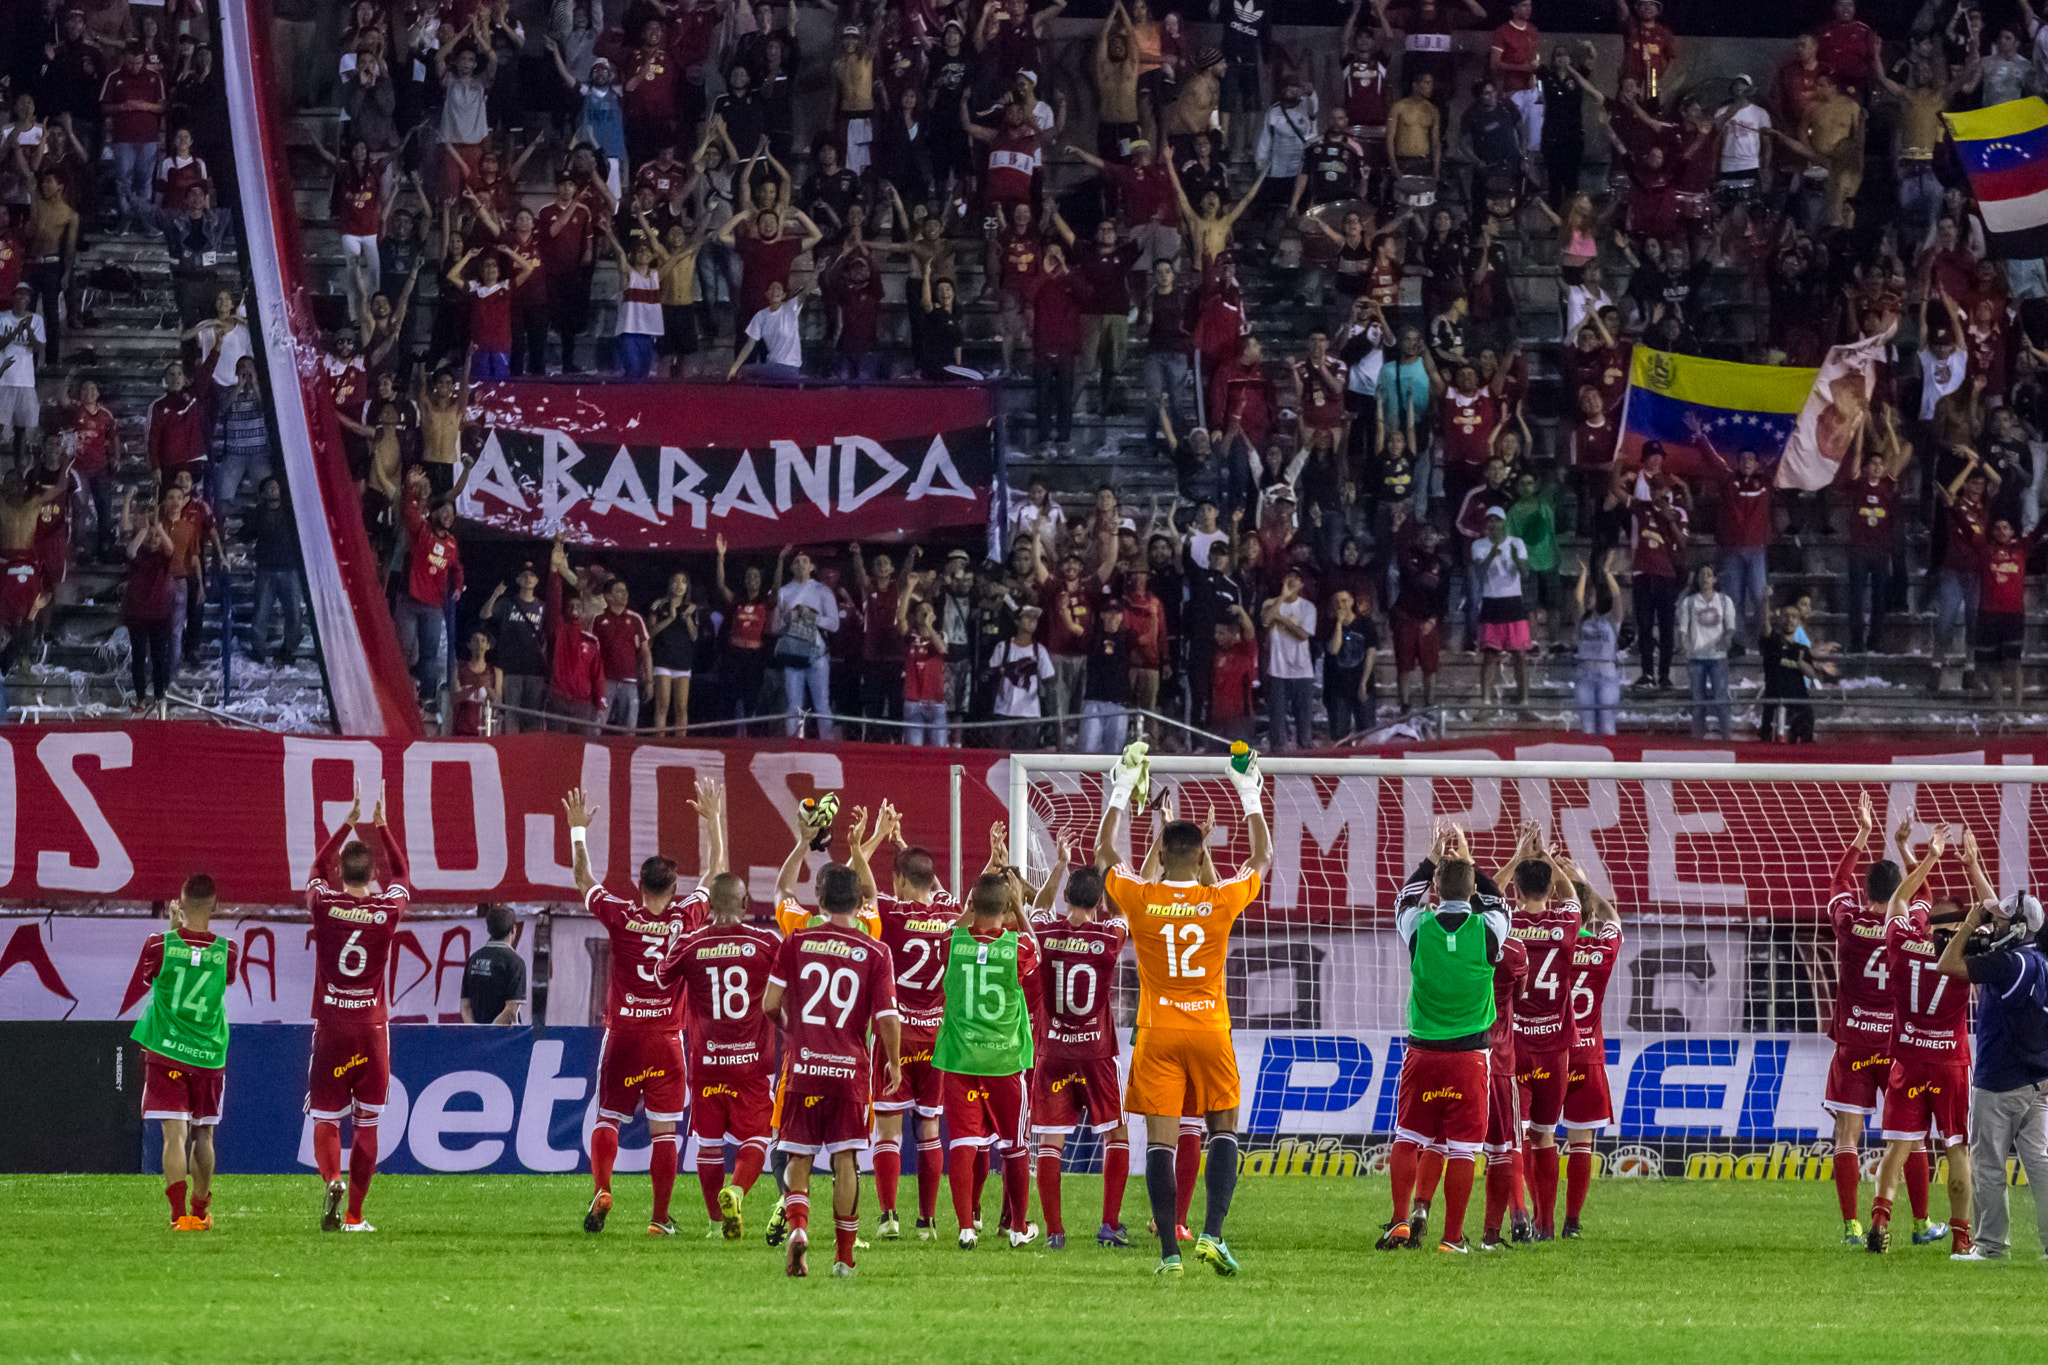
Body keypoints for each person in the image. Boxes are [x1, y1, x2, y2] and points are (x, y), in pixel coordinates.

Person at [1096, 740, 1273, 1276]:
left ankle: (1169, 1254)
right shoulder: (1218, 901)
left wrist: (1122, 786)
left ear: (1161, 851)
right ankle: (1213, 1235)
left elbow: (1105, 854)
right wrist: (1248, 790)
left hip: (1156, 1032)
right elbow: (1261, 858)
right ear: (1200, 856)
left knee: (1161, 1143)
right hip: (1209, 1031)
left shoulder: (1142, 900)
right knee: (1222, 1128)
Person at [564, 779, 719, 1238]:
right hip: (667, 1039)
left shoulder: (620, 914)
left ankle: (603, 1187)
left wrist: (577, 831)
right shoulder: (686, 917)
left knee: (608, 1116)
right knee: (664, 1131)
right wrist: (712, 822)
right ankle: (658, 1218)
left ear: (638, 884)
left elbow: (583, 879)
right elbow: (715, 874)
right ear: (673, 890)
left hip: (623, 1034)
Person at [759, 858, 901, 1278]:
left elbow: (769, 1004)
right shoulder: (876, 951)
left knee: (797, 1157)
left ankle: (799, 1229)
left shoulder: (795, 942)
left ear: (818, 899)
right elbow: (887, 1017)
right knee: (846, 1161)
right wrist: (893, 1063)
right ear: (859, 902)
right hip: (849, 1072)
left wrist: (793, 1031)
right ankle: (843, 1257)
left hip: (803, 1067)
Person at [1377, 821, 1509, 1255]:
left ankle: (1399, 1220)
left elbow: (1402, 898)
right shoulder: (1489, 930)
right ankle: (1452, 1238)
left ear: (1435, 888)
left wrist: (1433, 859)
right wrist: (1467, 860)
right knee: (1463, 1150)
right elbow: (1497, 900)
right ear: (1472, 891)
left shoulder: (1418, 927)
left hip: (1422, 1052)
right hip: (1469, 1057)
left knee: (1409, 1137)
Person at [305, 782, 411, 1234]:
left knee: (327, 1116)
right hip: (371, 1027)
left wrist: (345, 824)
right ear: (372, 878)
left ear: (340, 875)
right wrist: (384, 829)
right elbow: (403, 877)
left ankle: (332, 1180)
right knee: (367, 1122)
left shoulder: (323, 905)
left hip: (332, 1024)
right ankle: (354, 1215)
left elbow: (314, 867)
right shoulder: (387, 910)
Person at [849, 804, 955, 1241]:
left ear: (898, 881)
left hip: (896, 1034)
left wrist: (864, 844)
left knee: (888, 1129)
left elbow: (864, 889)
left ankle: (889, 1215)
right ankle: (928, 1221)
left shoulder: (891, 914)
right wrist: (904, 845)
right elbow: (940, 890)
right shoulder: (950, 916)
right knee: (929, 1127)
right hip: (937, 1036)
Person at [1865, 826, 1972, 1256]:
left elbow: (1897, 901)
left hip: (1907, 1057)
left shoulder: (1903, 941)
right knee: (1956, 1148)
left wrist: (1928, 857)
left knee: (1897, 1147)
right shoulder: (1969, 953)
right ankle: (1963, 1239)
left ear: (1928, 927)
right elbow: (1989, 913)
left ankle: (1879, 1218)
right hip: (1948, 1061)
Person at [1937, 868, 2048, 1262]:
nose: (1993, 922)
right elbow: (2009, 919)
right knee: (2040, 1163)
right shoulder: (2038, 959)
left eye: (2000, 920)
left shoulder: (2007, 965)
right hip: (2036, 1079)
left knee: (1987, 1165)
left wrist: (1970, 923)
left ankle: (1991, 1246)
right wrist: (1975, 867)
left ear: (2018, 929)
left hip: (2000, 1080)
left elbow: (1947, 963)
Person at [932, 861, 1042, 1250]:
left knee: (963, 1141)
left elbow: (954, 929)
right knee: (1014, 1144)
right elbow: (1037, 952)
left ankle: (965, 1227)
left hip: (961, 1058)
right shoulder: (1018, 946)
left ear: (972, 905)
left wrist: (974, 904)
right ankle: (1016, 1229)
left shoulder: (953, 943)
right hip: (1004, 1060)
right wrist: (1019, 907)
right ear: (1007, 908)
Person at [1029, 851, 1133, 1251]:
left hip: (1053, 1050)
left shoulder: (1044, 930)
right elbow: (1121, 915)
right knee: (1116, 1134)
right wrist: (1112, 892)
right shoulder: (1109, 937)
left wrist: (1059, 866)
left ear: (1067, 898)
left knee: (1051, 1142)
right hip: (1096, 1051)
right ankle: (1109, 1224)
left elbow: (1037, 908)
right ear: (1098, 904)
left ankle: (1055, 1232)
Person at [131, 873, 237, 1230]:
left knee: (173, 1136)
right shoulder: (228, 951)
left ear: (179, 901)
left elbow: (151, 977)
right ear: (216, 906)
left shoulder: (158, 945)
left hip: (167, 1052)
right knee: (203, 1135)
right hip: (208, 1055)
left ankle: (179, 1217)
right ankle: (200, 1211)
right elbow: (222, 976)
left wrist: (172, 928)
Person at [1505, 828, 1580, 1241]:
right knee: (1546, 1135)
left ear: (1517, 886)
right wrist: (1551, 862)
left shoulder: (1507, 923)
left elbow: (1486, 895)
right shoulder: (1566, 921)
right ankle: (1547, 1224)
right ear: (1548, 886)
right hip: (1555, 1048)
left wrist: (1519, 857)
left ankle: (1518, 1216)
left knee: (1514, 1135)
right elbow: (1572, 898)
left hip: (1514, 1044)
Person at [1556, 850, 1619, 1238]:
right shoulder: (1602, 949)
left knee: (1538, 1137)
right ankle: (1572, 1222)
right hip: (1587, 1055)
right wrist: (1583, 885)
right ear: (1587, 914)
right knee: (1581, 1141)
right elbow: (1611, 918)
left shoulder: (1546, 942)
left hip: (1544, 1051)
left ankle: (1533, 1215)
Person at [773, 549, 840, 739]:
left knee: (821, 703)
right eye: (797, 561)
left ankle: (826, 745)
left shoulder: (822, 590)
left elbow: (834, 624)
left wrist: (811, 616)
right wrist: (789, 617)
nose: (801, 564)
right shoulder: (784, 592)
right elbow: (774, 627)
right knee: (793, 703)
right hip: (793, 652)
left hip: (817, 653)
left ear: (812, 566)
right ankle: (794, 744)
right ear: (792, 567)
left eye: (805, 561)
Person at [1472, 506, 1529, 707]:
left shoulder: (1517, 543)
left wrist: (1514, 558)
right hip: (1491, 601)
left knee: (1520, 654)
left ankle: (1524, 701)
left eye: (1497, 520)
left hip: (1513, 601)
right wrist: (1491, 555)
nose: (1493, 524)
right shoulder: (1479, 545)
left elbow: (1525, 573)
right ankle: (1485, 703)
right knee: (1489, 655)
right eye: (1490, 520)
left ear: (1504, 523)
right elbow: (1479, 574)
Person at [1259, 567, 1316, 750]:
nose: (1292, 580)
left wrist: (1282, 620)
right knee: (1277, 729)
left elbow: (1302, 634)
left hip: (1302, 672)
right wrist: (1281, 599)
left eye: (1296, 578)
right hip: (1278, 670)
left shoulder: (1308, 607)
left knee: (1305, 728)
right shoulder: (1270, 603)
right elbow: (1266, 620)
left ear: (1302, 584)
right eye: (1289, 576)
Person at [1677, 564, 1735, 740]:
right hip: (1697, 657)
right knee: (1697, 700)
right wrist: (1685, 646)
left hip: (1717, 657)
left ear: (1714, 579)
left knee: (1720, 698)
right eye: (1702, 574)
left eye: (1709, 575)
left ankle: (1726, 737)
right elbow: (1683, 630)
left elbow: (1730, 627)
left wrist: (1726, 640)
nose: (1705, 578)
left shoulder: (1725, 601)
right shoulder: (1689, 602)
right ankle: (1697, 737)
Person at [592, 579, 652, 732]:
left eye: (625, 590)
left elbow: (645, 652)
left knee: (630, 727)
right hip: (605, 681)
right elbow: (591, 653)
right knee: (597, 724)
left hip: (630, 681)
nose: (625, 594)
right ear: (608, 596)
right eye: (619, 591)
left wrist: (649, 681)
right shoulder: (598, 619)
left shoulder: (635, 619)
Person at [1759, 606, 1822, 743]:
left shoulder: (1802, 649)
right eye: (1786, 615)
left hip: (1797, 696)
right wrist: (1766, 600)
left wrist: (1799, 662)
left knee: (1806, 722)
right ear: (1780, 618)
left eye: (1794, 617)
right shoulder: (1772, 641)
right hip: (1775, 693)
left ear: (1799, 622)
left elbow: (1812, 674)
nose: (1789, 620)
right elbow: (1765, 625)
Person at [458, 905, 525, 1024]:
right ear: (514, 930)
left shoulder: (473, 959)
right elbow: (510, 1012)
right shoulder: (515, 962)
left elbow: (465, 1007)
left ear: (488, 930)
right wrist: (490, 1034)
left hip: (478, 1039)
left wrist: (476, 1033)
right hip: (505, 1039)